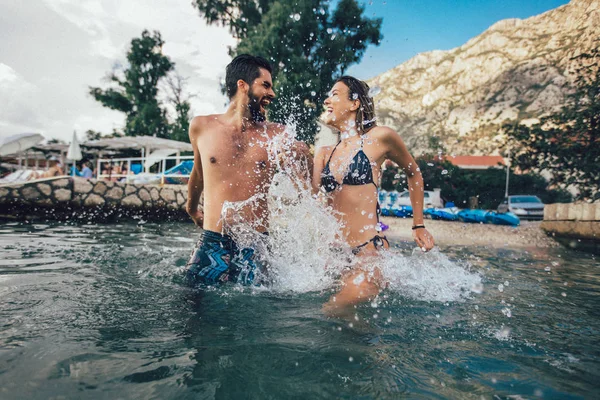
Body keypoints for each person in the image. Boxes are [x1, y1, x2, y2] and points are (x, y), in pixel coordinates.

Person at [312, 76, 435, 313]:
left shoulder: (380, 138)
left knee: (334, 310)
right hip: (333, 258)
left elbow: (414, 173)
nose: (327, 100)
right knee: (344, 330)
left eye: (335, 94)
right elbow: (309, 195)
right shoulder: (324, 152)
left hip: (367, 254)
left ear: (354, 103)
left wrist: (418, 225)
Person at [185, 54, 311, 286]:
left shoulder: (277, 134)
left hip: (257, 246)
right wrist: (192, 207)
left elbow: (306, 187)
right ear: (242, 85)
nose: (272, 94)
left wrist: (304, 157)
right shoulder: (201, 126)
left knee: (256, 318)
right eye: (266, 85)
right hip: (213, 241)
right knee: (190, 306)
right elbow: (199, 172)